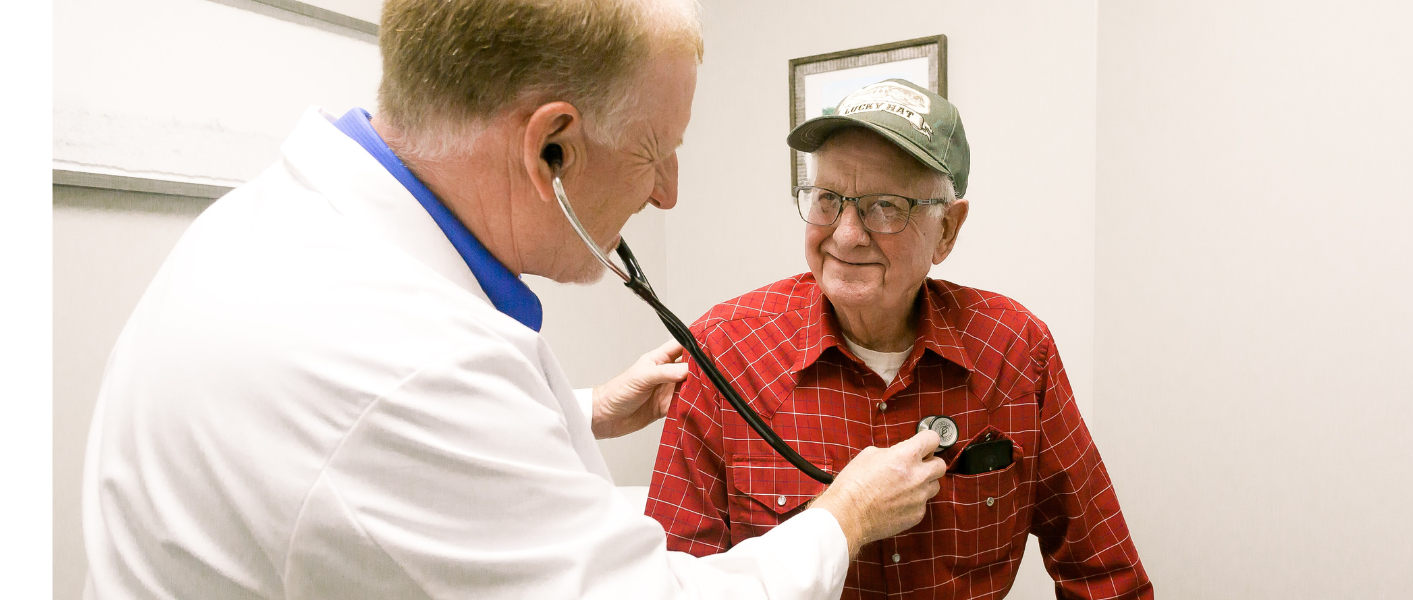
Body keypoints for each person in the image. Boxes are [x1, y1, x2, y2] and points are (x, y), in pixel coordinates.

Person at [78, 2, 949, 598]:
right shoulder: (405, 366)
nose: (669, 194)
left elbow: (369, 457)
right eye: (656, 152)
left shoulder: (290, 222)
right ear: (553, 152)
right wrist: (844, 516)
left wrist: (582, 412)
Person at [645, 79, 1153, 599]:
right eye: (827, 199)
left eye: (885, 206)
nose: (845, 235)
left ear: (948, 231)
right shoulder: (726, 350)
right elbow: (665, 584)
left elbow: (1104, 575)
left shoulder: (1016, 350)